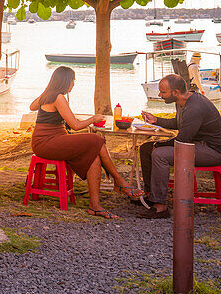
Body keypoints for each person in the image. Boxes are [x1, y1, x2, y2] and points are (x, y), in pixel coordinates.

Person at [29, 66, 145, 219]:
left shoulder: (49, 95)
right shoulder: (57, 97)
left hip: (50, 141)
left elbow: (32, 106)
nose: (73, 84)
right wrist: (93, 119)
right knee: (96, 139)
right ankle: (119, 181)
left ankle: (95, 206)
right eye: (72, 80)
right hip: (46, 143)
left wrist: (48, 89)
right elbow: (76, 126)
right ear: (65, 82)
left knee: (94, 157)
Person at [138, 74, 221, 219]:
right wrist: (156, 120)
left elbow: (183, 140)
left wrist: (159, 144)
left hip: (214, 151)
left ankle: (160, 207)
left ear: (175, 92)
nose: (159, 95)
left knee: (159, 154)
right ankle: (151, 196)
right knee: (146, 149)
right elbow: (180, 123)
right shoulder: (182, 101)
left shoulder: (195, 107)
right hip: (197, 145)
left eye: (163, 92)